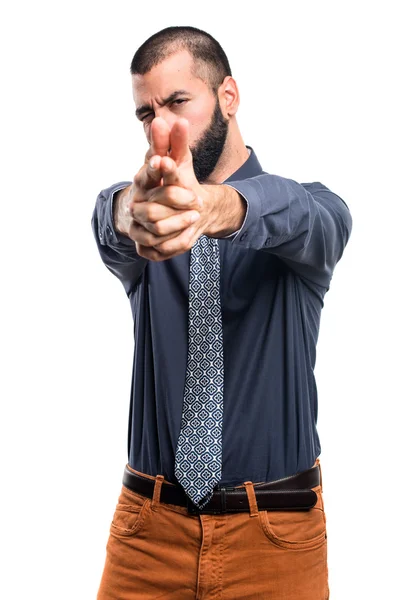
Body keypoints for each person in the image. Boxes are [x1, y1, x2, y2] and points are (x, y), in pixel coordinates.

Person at [91, 25, 352, 600]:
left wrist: (216, 207)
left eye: (178, 102)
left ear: (228, 96)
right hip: (147, 534)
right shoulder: (148, 224)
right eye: (146, 113)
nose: (162, 127)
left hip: (275, 537)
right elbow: (108, 222)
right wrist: (129, 209)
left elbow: (308, 218)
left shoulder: (306, 212)